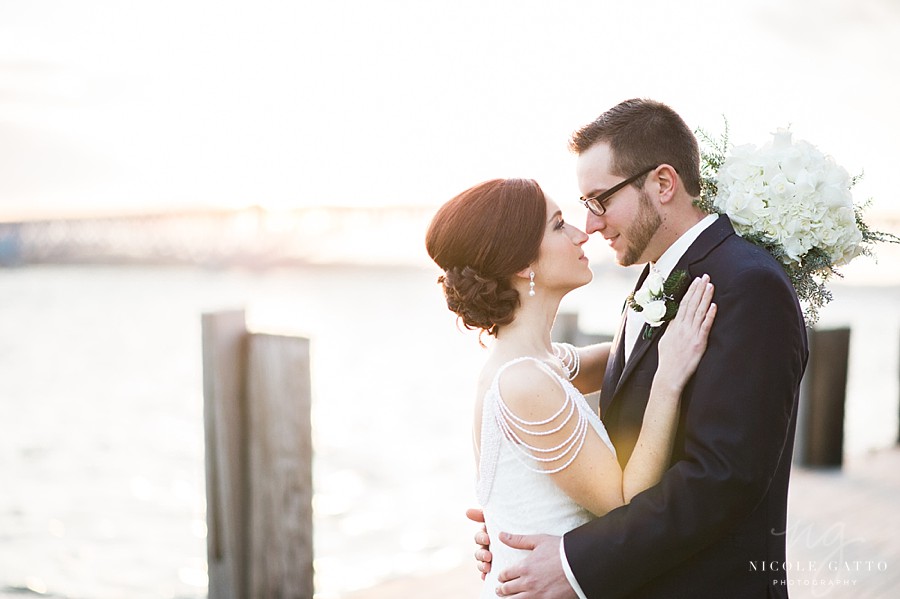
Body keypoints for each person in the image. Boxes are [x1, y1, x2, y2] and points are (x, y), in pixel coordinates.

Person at [470, 99, 810, 598]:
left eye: (599, 200)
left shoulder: (748, 286)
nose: (591, 225)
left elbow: (723, 478)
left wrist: (574, 561)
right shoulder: (655, 278)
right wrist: (513, 511)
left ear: (663, 183)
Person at [425, 177, 717, 598]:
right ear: (523, 264)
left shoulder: (541, 363)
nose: (583, 232)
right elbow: (624, 501)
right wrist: (668, 379)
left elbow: (623, 353)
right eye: (560, 224)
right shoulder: (524, 382)